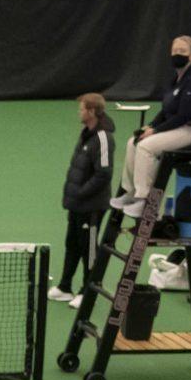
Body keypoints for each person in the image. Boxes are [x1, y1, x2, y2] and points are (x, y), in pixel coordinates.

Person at [114, 36, 191, 221]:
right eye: (175, 51)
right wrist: (150, 126)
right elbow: (166, 110)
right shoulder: (176, 78)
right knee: (133, 142)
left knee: (146, 147)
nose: (177, 55)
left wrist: (156, 131)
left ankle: (144, 201)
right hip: (179, 126)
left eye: (182, 51)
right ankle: (132, 193)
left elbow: (184, 115)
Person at [54, 93, 117, 305]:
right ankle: (65, 287)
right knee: (72, 242)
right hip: (77, 204)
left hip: (92, 206)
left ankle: (87, 291)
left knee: (88, 249)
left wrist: (81, 192)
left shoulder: (103, 138)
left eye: (81, 109)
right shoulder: (86, 134)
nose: (79, 112)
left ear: (91, 111)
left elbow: (104, 173)